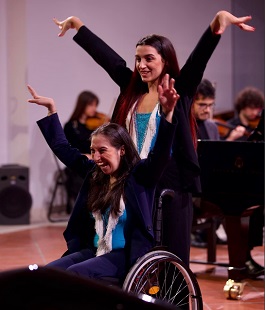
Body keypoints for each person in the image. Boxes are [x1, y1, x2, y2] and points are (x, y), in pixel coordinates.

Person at [52, 11, 255, 267]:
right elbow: (109, 60)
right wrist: (78, 26)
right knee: (127, 251)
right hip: (133, 181)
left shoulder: (178, 89)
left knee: (170, 258)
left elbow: (198, 59)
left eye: (149, 58)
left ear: (165, 61)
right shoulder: (131, 90)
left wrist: (217, 25)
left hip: (168, 184)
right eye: (138, 59)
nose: (141, 65)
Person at [27, 79, 179, 283]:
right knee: (47, 274)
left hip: (124, 256)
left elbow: (160, 154)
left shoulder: (139, 175)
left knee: (74, 275)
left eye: (102, 151)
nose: (96, 157)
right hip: (94, 249)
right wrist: (52, 111)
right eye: (93, 151)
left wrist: (168, 114)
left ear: (121, 150)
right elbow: (64, 149)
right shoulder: (94, 173)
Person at [63, 90, 109, 209]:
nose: (94, 108)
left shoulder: (97, 125)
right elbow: (69, 149)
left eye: (95, 105)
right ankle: (84, 206)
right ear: (82, 105)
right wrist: (84, 155)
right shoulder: (70, 126)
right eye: (91, 105)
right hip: (78, 162)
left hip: (95, 162)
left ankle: (102, 205)